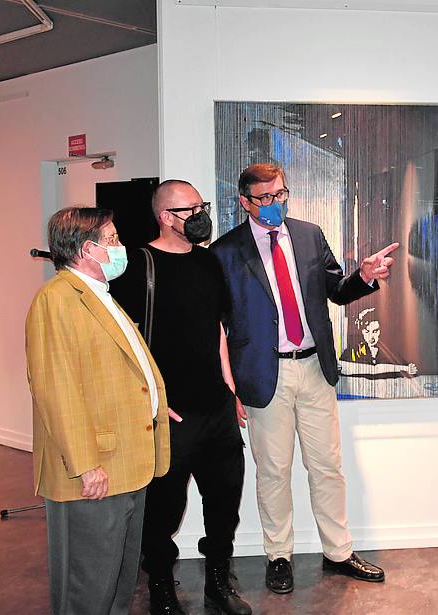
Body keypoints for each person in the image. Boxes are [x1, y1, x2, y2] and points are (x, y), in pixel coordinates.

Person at [211, 162, 397, 594]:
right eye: (265, 198)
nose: (275, 204)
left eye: (280, 195)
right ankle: (279, 555)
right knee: (273, 471)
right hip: (262, 375)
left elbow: (336, 289)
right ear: (245, 202)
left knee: (327, 467)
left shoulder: (309, 234)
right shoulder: (224, 253)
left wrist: (364, 277)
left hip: (315, 367)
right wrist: (228, 387)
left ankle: (339, 551)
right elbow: (216, 326)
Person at [109, 180, 251, 615]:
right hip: (169, 413)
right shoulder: (138, 265)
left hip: (216, 407)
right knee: (163, 511)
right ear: (165, 217)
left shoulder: (209, 262)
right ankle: (162, 589)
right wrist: (148, 401)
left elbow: (218, 330)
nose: (199, 215)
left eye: (200, 206)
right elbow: (120, 343)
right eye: (189, 209)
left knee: (225, 502)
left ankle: (217, 584)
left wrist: (232, 389)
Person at [25, 207, 171, 615]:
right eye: (112, 240)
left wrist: (156, 404)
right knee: (88, 588)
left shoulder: (97, 296)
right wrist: (85, 463)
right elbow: (56, 389)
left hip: (126, 461)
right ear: (88, 249)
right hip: (96, 470)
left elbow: (118, 370)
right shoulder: (56, 301)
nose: (120, 247)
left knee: (119, 583)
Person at [339, 307, 418, 378]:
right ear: (362, 332)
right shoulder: (354, 351)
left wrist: (410, 370)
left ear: (381, 330)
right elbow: (341, 368)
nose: (371, 336)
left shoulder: (390, 351)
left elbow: (405, 369)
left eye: (375, 331)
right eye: (367, 332)